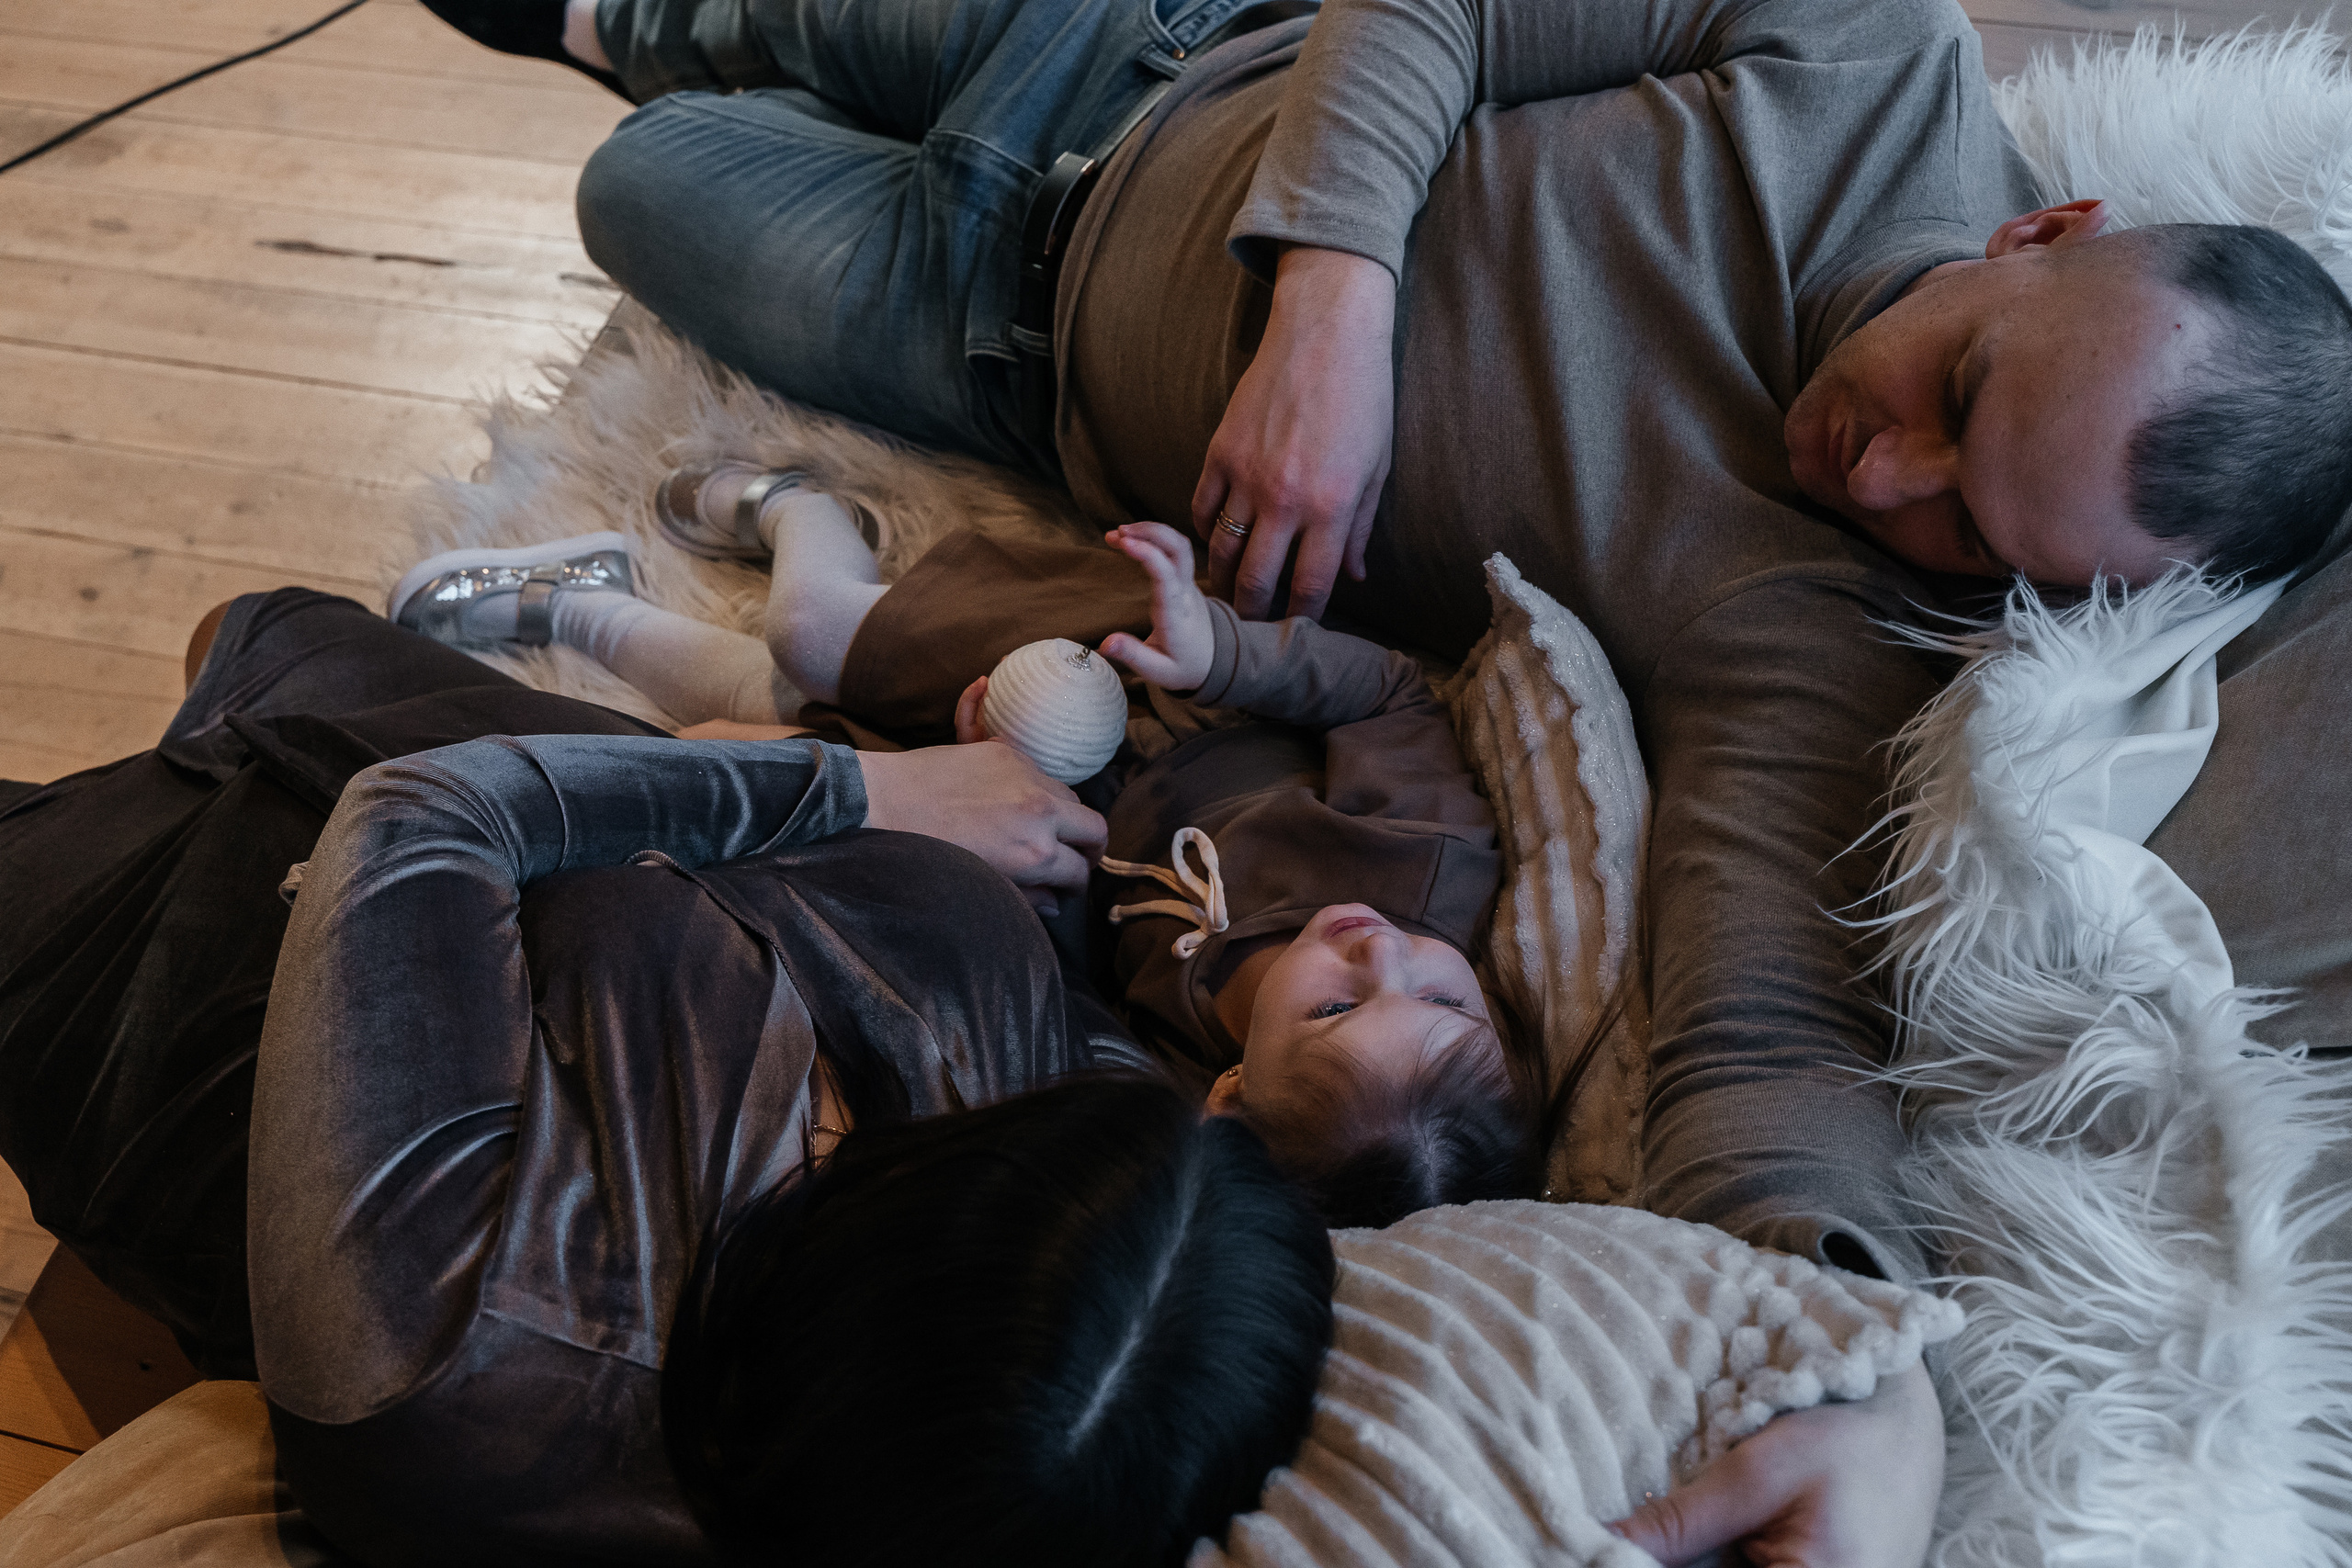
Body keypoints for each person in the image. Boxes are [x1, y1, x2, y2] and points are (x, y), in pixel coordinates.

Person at [416, 0, 2352, 1296]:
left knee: (644, 183)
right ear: (2045, 230)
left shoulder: (1816, 633)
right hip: (1150, 42)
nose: (1881, 467)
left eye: (1972, 528)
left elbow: (1770, 1023)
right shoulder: (1862, 57)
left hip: (995, 331)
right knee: (701, 17)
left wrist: (1821, 1331)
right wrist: (1330, 302)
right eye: (1959, 388)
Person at [0, 591, 1333, 1567]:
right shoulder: (1089, 1226)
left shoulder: (452, 1356)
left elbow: (418, 813)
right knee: (252, 626)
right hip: (572, 813)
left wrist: (858, 786)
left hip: (179, 948)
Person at [390, 474, 1544, 1229]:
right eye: (1444, 995)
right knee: (813, 635)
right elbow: (1391, 693)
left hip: (1042, 767)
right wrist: (1221, 653)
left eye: (1337, 1008)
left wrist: (990, 796)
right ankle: (804, 505)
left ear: (1232, 1095)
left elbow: (1056, 955)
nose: (1379, 952)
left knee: (779, 741)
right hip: (1154, 668)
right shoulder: (1422, 870)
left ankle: (580, 607)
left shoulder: (1174, 1062)